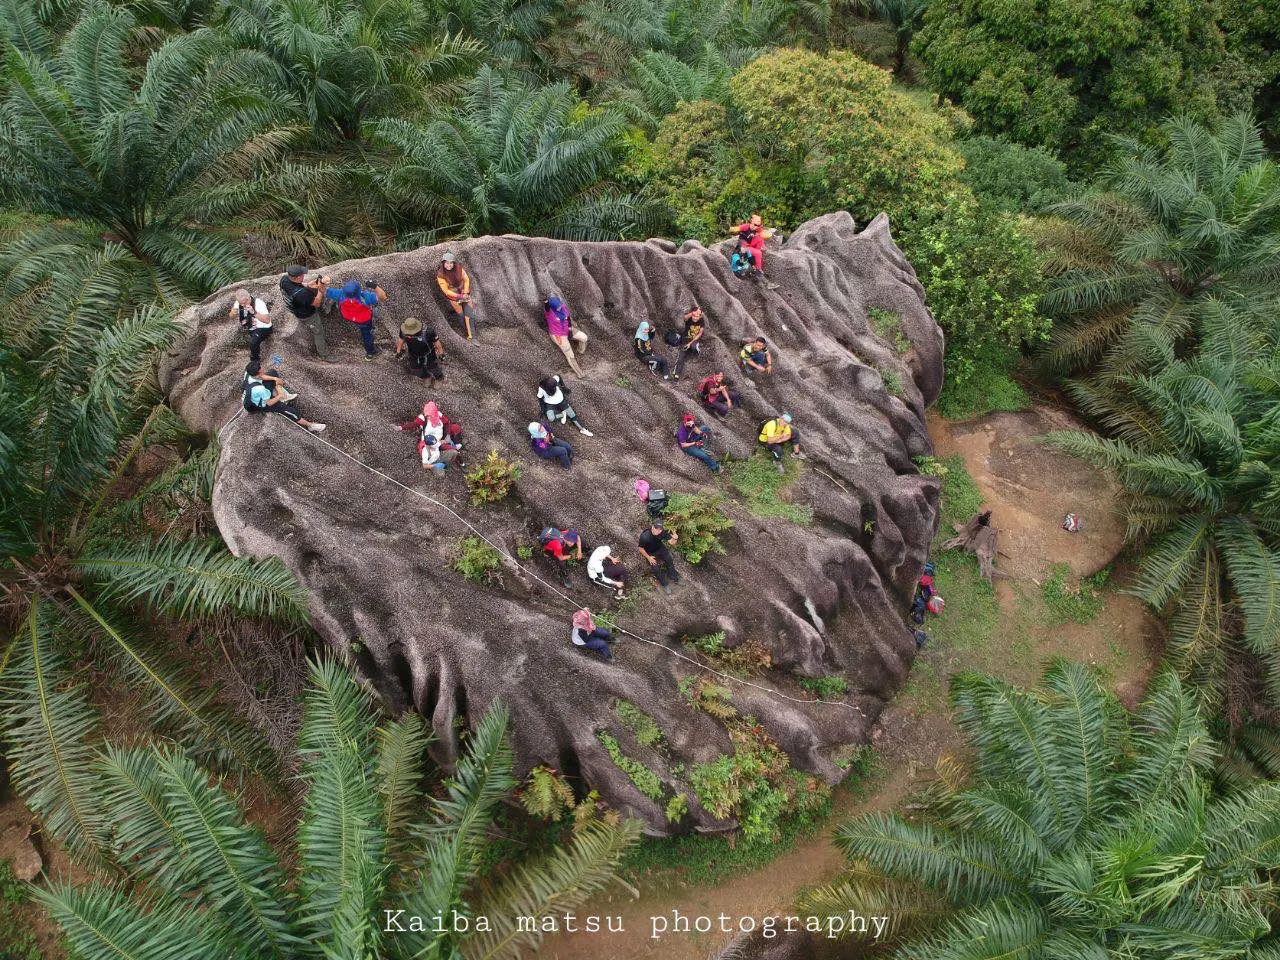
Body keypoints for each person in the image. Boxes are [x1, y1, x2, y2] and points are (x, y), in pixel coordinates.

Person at [242, 360, 325, 432]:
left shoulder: (248, 373)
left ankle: (282, 394)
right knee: (287, 409)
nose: (263, 368)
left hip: (252, 395)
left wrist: (275, 379)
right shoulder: (259, 389)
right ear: (259, 372)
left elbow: (261, 377)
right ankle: (310, 425)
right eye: (261, 368)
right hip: (256, 405)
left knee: (272, 372)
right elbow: (269, 403)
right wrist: (279, 396)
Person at [279, 265, 332, 360]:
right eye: (302, 274)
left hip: (294, 307)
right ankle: (324, 355)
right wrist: (320, 291)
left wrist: (308, 285)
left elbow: (297, 286)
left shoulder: (285, 279)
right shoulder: (302, 294)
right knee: (318, 332)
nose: (304, 275)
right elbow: (317, 304)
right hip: (306, 314)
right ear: (297, 277)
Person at [326, 279, 386, 360]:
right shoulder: (365, 297)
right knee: (367, 335)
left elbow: (324, 290)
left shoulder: (340, 294)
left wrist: (322, 282)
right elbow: (383, 296)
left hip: (349, 316)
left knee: (363, 328)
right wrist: (374, 286)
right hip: (364, 320)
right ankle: (370, 353)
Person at [396, 401, 464, 472]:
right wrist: (401, 427)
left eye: (430, 415)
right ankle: (439, 462)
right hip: (429, 440)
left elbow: (447, 423)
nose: (428, 417)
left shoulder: (439, 415)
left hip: (440, 438)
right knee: (430, 450)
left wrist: (448, 435)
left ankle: (458, 451)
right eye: (427, 415)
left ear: (434, 412)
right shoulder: (423, 418)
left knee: (455, 428)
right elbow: (413, 424)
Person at [730, 213, 779, 288]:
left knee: (759, 238)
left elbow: (763, 234)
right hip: (743, 252)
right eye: (755, 225)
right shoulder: (746, 227)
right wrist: (732, 229)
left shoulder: (757, 228)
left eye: (758, 225)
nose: (756, 227)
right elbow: (737, 228)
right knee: (757, 254)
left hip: (748, 248)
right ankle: (758, 274)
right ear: (751, 222)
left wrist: (770, 234)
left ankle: (763, 279)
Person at [436, 252, 478, 340]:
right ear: (443, 263)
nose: (449, 265)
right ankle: (466, 330)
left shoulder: (459, 268)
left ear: (454, 263)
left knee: (469, 314)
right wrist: (459, 296)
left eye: (451, 263)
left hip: (465, 295)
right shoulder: (440, 275)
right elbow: (446, 290)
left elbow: (466, 279)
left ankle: (472, 336)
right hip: (454, 298)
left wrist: (465, 293)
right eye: (447, 263)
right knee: (461, 315)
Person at [543, 296, 588, 376]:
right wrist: (546, 302)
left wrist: (570, 327)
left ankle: (580, 351)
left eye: (560, 305)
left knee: (584, 338)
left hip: (567, 329)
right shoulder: (549, 312)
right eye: (558, 307)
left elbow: (568, 317)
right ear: (553, 307)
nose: (560, 307)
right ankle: (580, 374)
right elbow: (547, 307)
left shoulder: (563, 307)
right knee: (570, 355)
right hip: (558, 335)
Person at [394, 317, 445, 384]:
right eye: (407, 334)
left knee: (432, 367)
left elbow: (437, 342)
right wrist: (398, 351)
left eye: (411, 334)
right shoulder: (403, 330)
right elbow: (401, 339)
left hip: (428, 353)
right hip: (413, 353)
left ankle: (439, 378)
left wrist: (441, 353)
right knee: (415, 368)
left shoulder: (428, 332)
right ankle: (426, 377)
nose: (408, 336)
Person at [229, 289, 272, 363]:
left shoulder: (259, 303)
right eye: (241, 303)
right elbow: (231, 316)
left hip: (263, 327)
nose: (242, 305)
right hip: (250, 326)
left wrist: (253, 312)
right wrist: (232, 313)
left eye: (244, 303)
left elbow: (267, 320)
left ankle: (255, 360)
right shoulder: (238, 303)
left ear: (248, 298)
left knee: (253, 342)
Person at [637, 520, 680, 588]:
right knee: (656, 568)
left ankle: (673, 577)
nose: (657, 531)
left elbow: (671, 542)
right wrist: (648, 557)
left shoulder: (663, 532)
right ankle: (664, 584)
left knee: (669, 560)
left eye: (659, 529)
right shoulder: (645, 536)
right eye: (656, 528)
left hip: (660, 548)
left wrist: (675, 538)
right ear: (652, 527)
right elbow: (640, 548)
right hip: (650, 552)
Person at [671, 306, 705, 381]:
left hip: (694, 340)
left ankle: (696, 350)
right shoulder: (689, 319)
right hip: (685, 339)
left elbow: (700, 333)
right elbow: (684, 318)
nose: (696, 318)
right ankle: (676, 374)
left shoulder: (701, 320)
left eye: (698, 316)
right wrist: (693, 313)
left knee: (693, 347)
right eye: (694, 316)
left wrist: (690, 343)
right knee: (681, 356)